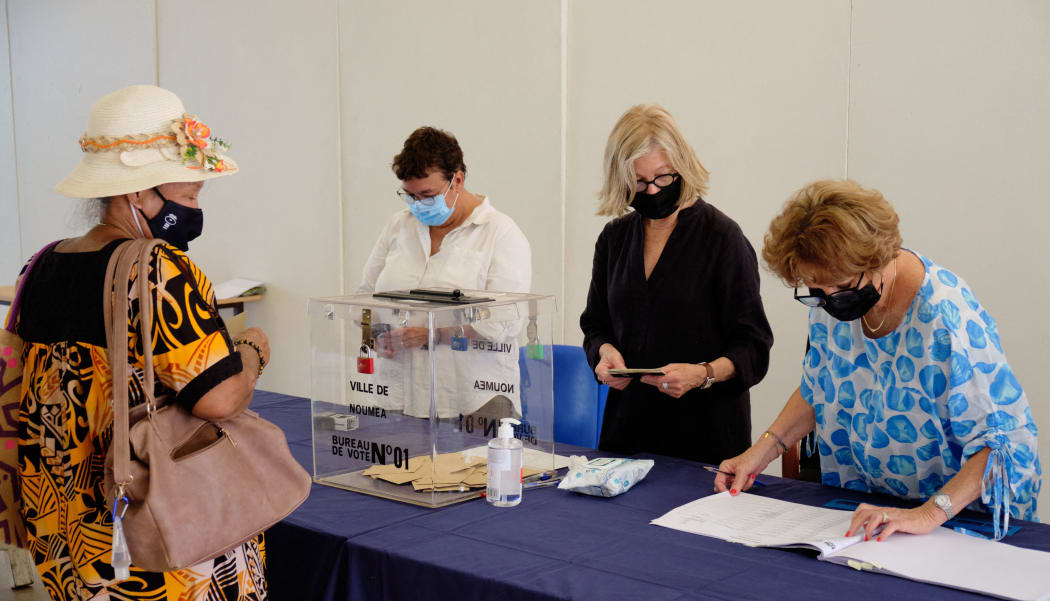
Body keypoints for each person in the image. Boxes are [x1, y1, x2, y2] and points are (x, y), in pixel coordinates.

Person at [12, 85, 272, 601]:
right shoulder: (157, 270)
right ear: (136, 189)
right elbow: (220, 398)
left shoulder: (41, 267)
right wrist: (251, 350)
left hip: (68, 518)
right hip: (157, 518)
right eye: (188, 186)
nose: (197, 198)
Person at [715, 179, 1041, 541]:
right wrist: (757, 454)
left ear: (878, 258)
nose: (829, 299)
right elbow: (819, 386)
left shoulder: (946, 320)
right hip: (871, 510)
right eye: (816, 290)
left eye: (839, 287)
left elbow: (1004, 445)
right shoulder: (831, 299)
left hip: (956, 521)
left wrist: (927, 514)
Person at [580, 104, 773, 463]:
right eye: (639, 182)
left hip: (706, 438)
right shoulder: (614, 239)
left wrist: (703, 374)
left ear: (682, 166)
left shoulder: (722, 238)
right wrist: (603, 355)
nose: (652, 191)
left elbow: (754, 347)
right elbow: (595, 325)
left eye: (664, 178)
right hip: (628, 434)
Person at [358, 127, 532, 425]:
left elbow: (505, 322)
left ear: (457, 180)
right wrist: (375, 335)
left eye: (427, 195)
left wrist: (434, 334)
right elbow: (364, 296)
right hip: (401, 393)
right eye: (410, 195)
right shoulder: (398, 227)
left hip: (476, 398)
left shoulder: (500, 234)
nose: (417, 205)